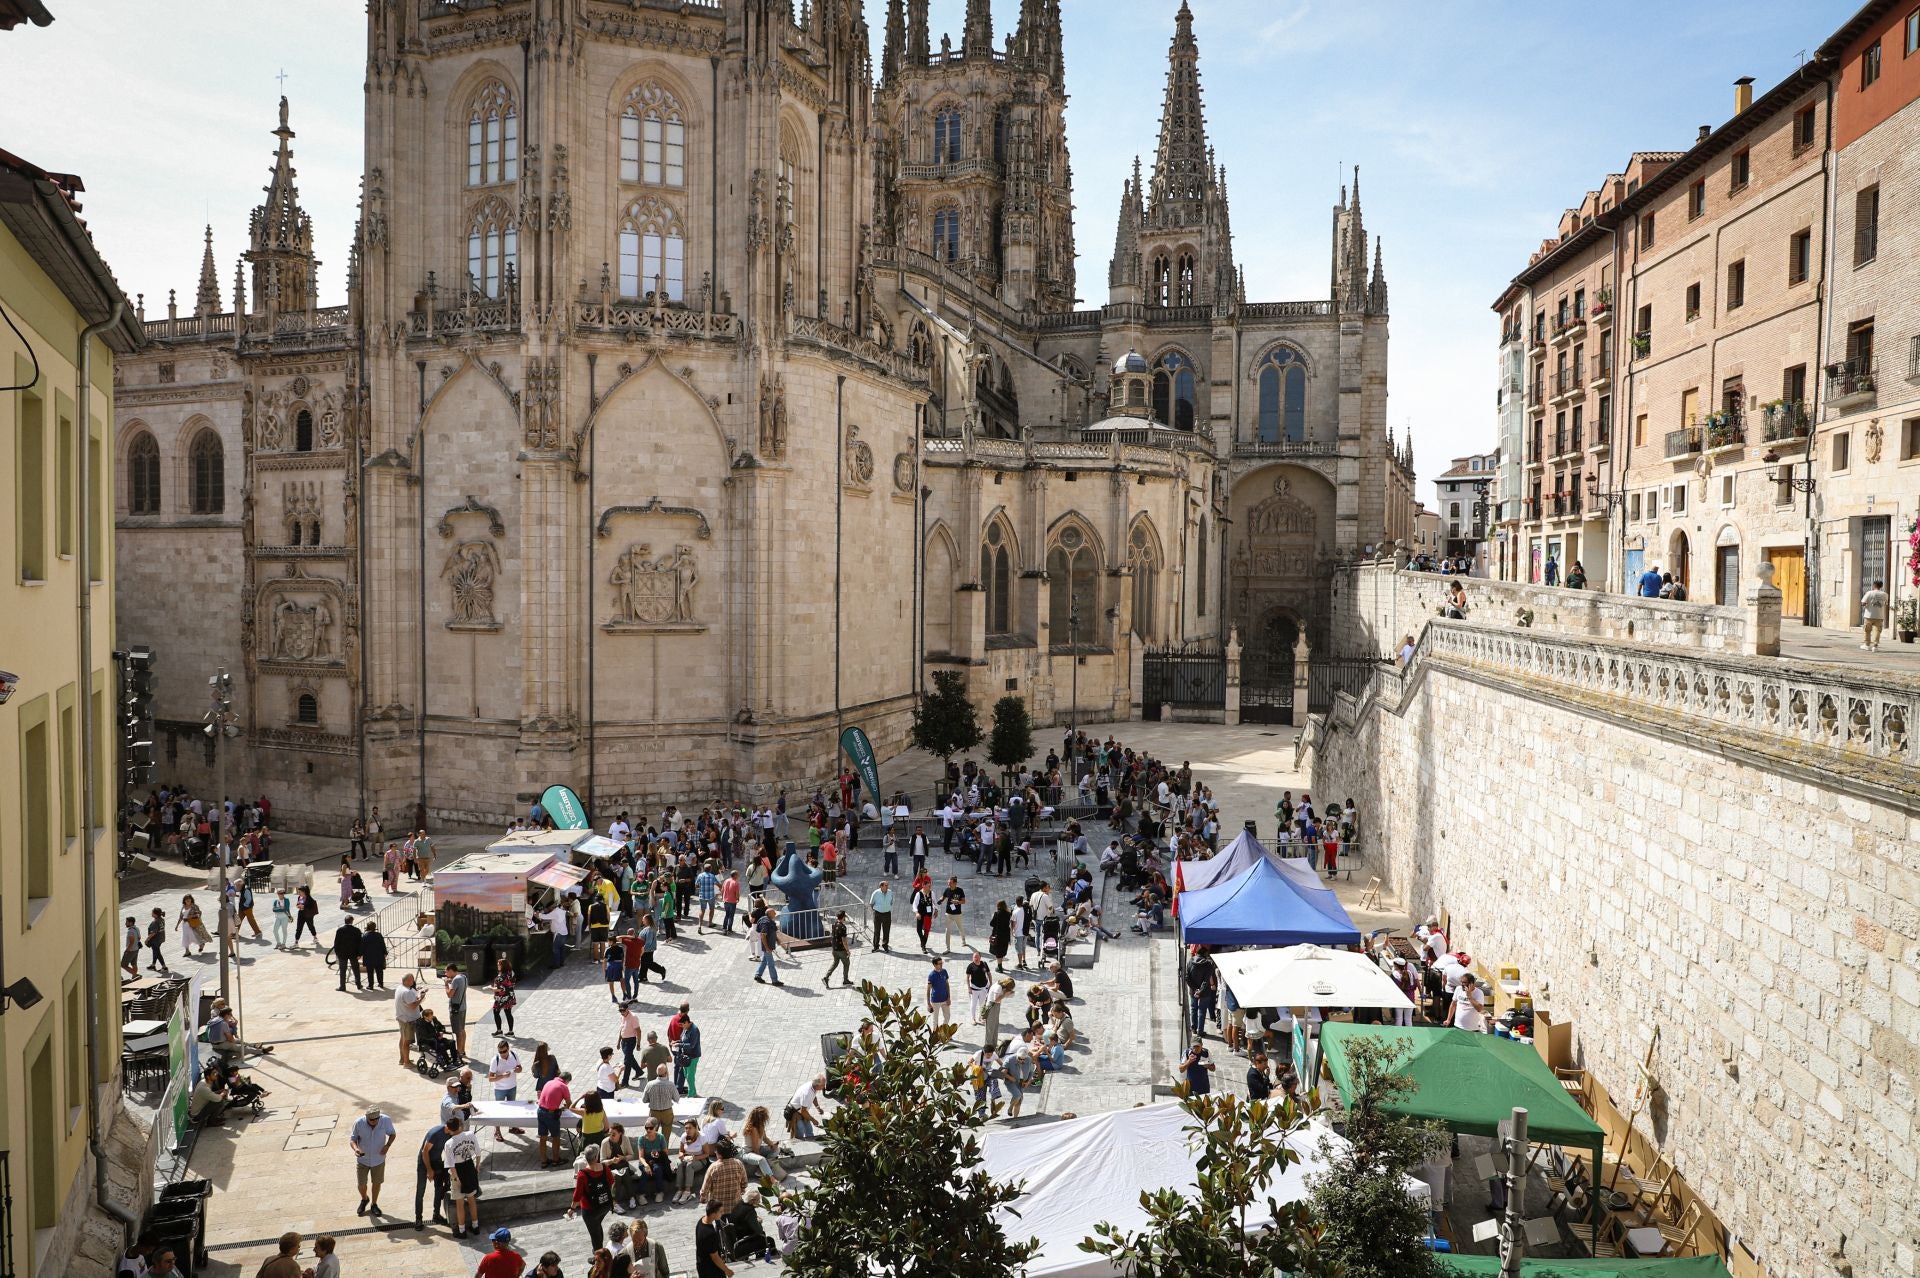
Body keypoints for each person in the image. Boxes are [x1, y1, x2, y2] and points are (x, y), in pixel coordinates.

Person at [349, 1104, 397, 1216]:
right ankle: (364, 1199)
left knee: (376, 1183)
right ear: (366, 1117)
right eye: (371, 1120)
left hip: (378, 1159)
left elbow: (392, 1134)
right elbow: (352, 1139)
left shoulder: (385, 1120)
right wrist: (356, 1149)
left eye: (376, 1119)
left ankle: (374, 1204)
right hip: (363, 1160)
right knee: (361, 1184)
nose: (374, 1121)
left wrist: (387, 1145)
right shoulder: (359, 1123)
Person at [568, 1145, 618, 1251]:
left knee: (594, 1233)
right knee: (596, 1226)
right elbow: (611, 1181)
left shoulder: (582, 1174)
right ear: (596, 1157)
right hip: (605, 1205)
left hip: (590, 1209)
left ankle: (599, 1255)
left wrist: (572, 1209)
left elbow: (578, 1194)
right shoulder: (604, 1168)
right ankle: (600, 1251)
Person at [444, 1115, 483, 1237]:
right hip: (470, 1167)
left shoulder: (449, 1143)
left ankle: (462, 1230)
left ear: (449, 1129)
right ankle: (475, 1226)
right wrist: (477, 1166)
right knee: (472, 1200)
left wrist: (456, 1178)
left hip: (458, 1171)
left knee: (460, 1203)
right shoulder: (470, 1134)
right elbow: (478, 1152)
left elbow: (450, 1164)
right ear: (460, 1126)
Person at [414, 1116, 454, 1229]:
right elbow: (424, 1152)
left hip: (436, 1161)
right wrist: (429, 1170)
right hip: (424, 1162)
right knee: (420, 1191)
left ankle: (436, 1214)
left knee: (439, 1188)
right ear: (448, 1127)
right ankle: (418, 1219)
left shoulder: (450, 1134)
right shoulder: (435, 1133)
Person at [537, 1070, 573, 1169]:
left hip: (540, 1111)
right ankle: (556, 1160)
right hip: (551, 1114)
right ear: (567, 1081)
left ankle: (544, 1161)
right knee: (556, 1137)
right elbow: (569, 1103)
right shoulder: (564, 1086)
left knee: (543, 1137)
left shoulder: (549, 1082)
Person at [695, 1199, 734, 1278]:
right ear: (713, 1214)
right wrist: (727, 1270)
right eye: (720, 1212)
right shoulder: (709, 1233)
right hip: (711, 1270)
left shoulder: (701, 1221)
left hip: (702, 1264)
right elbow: (715, 1257)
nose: (722, 1214)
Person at [394, 974, 425, 1067]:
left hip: (402, 1017)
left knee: (403, 1038)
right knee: (406, 1042)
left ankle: (403, 1059)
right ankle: (406, 1063)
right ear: (407, 981)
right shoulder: (407, 992)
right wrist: (421, 998)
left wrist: (417, 994)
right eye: (412, 980)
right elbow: (413, 1006)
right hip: (408, 1020)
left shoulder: (400, 987)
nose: (413, 981)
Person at [787, 1074, 825, 1140]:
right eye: (823, 1085)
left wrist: (817, 1107)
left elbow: (813, 1097)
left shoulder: (813, 1086)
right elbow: (803, 1111)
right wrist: (813, 1120)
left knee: (809, 1130)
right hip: (796, 1114)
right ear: (817, 1085)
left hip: (802, 1111)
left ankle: (811, 1142)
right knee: (800, 1132)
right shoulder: (807, 1093)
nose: (824, 1087)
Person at [444, 963, 470, 1058]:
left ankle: (458, 1053)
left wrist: (446, 984)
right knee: (462, 1030)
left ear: (451, 970)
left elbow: (450, 994)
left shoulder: (455, 980)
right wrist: (451, 981)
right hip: (463, 1007)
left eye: (447, 972)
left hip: (456, 1009)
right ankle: (462, 1051)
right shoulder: (463, 977)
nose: (446, 974)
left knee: (458, 1032)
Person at [332, 918, 364, 991]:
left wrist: (337, 953)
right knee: (356, 969)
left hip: (342, 954)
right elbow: (360, 943)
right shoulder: (356, 930)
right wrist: (359, 954)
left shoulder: (340, 930)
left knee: (342, 970)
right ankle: (358, 985)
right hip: (353, 953)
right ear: (352, 921)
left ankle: (342, 986)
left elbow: (336, 943)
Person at [491, 957, 518, 1037]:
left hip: (502, 997)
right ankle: (511, 1032)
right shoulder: (511, 973)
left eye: (499, 965)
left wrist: (491, 988)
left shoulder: (501, 976)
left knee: (496, 1012)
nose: (498, 966)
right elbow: (512, 984)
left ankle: (499, 1031)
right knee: (508, 1013)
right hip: (510, 995)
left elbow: (499, 989)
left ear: (503, 966)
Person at [940, 876, 968, 952]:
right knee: (947, 931)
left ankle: (963, 940)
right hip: (948, 914)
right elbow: (944, 896)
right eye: (948, 882)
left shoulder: (960, 890)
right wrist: (940, 900)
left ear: (955, 883)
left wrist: (958, 902)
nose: (948, 884)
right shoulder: (947, 890)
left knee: (960, 928)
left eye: (950, 883)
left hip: (957, 914)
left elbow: (964, 901)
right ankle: (948, 948)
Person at [965, 951, 993, 1025]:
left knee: (982, 1004)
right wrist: (969, 988)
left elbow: (989, 973)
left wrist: (990, 983)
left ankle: (981, 1017)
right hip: (974, 988)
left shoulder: (984, 964)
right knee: (973, 1004)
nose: (976, 958)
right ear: (972, 958)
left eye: (977, 956)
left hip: (984, 988)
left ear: (980, 957)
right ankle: (973, 1018)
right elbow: (967, 978)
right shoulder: (970, 966)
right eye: (974, 957)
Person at [1862, 578, 1890, 651]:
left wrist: (1866, 605)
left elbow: (1863, 603)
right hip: (1879, 615)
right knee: (1877, 631)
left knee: (1867, 630)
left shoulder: (1869, 593)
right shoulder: (1885, 594)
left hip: (1869, 615)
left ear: (1874, 585)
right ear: (1881, 586)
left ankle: (1867, 645)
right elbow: (1886, 603)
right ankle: (1875, 646)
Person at [925, 956, 952, 1029]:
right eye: (939, 963)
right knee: (935, 1020)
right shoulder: (931, 975)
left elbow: (947, 984)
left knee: (947, 1016)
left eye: (941, 963)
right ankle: (936, 1037)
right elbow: (928, 990)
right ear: (935, 965)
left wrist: (949, 997)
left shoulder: (944, 971)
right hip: (935, 1001)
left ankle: (943, 1032)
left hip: (945, 999)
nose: (941, 964)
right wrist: (928, 1004)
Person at [867, 880, 893, 951]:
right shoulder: (876, 893)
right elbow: (871, 903)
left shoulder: (890, 892)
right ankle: (876, 946)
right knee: (877, 930)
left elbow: (891, 902)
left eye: (887, 885)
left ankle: (885, 945)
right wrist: (876, 910)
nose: (887, 886)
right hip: (878, 913)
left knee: (886, 930)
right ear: (881, 886)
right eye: (886, 885)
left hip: (887, 913)